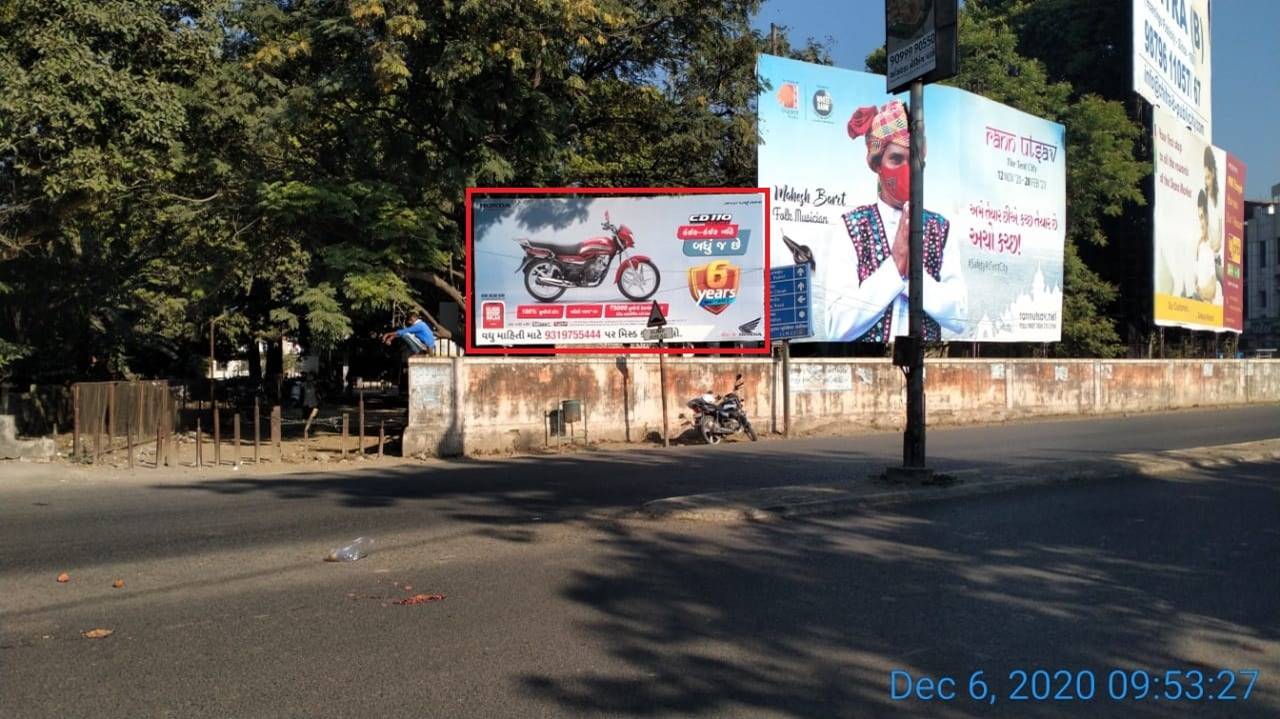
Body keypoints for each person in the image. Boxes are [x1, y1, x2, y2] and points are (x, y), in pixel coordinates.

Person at [822, 99, 966, 342]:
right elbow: (836, 326)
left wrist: (912, 276)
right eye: (896, 159)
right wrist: (894, 266)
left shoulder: (941, 228)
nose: (905, 170)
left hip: (924, 371)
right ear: (878, 165)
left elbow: (960, 316)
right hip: (868, 374)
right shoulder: (852, 226)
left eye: (913, 160)